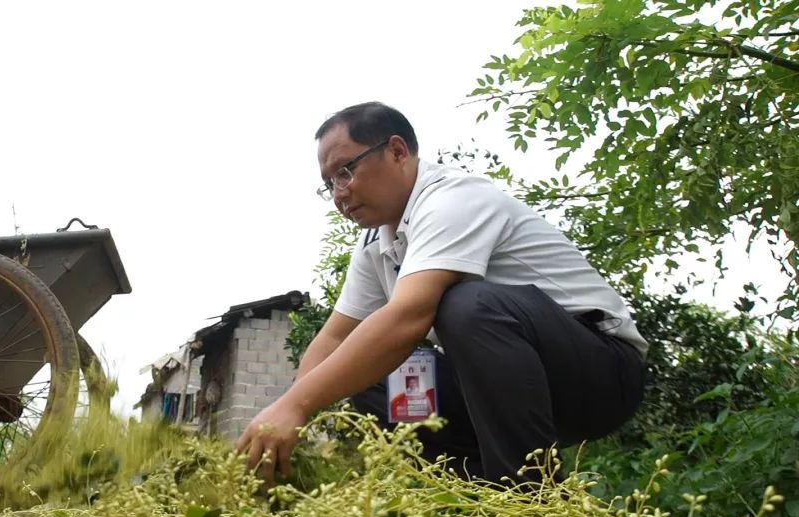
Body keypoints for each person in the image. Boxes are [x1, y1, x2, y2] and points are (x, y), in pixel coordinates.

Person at [235, 101, 647, 486]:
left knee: (464, 307)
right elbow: (336, 338)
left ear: (397, 151)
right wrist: (280, 415)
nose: (339, 193)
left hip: (601, 371)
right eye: (329, 183)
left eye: (346, 171)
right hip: (503, 392)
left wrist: (298, 407)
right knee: (370, 372)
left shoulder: (452, 200)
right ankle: (468, 492)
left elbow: (410, 315)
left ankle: (529, 498)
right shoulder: (377, 243)